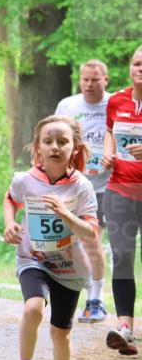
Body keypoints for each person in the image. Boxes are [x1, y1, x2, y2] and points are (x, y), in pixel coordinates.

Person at [3, 114, 97, 360]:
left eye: (62, 141)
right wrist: (10, 223)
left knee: (60, 332)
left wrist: (66, 214)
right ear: (38, 147)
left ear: (75, 148)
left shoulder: (81, 186)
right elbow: (10, 199)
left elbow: (90, 232)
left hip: (69, 268)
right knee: (33, 308)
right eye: (48, 141)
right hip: (33, 260)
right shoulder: (25, 180)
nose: (55, 146)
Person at [56, 60, 111, 323]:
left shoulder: (114, 104)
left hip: (107, 185)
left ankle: (96, 299)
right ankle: (86, 290)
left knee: (92, 241)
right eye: (85, 79)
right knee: (70, 246)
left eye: (95, 80)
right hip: (75, 184)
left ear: (106, 80)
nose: (89, 84)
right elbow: (55, 139)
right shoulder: (67, 106)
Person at [101, 45, 142, 357]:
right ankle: (124, 326)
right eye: (137, 63)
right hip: (119, 191)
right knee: (122, 256)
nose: (141, 69)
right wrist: (108, 152)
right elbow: (109, 132)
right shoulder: (116, 100)